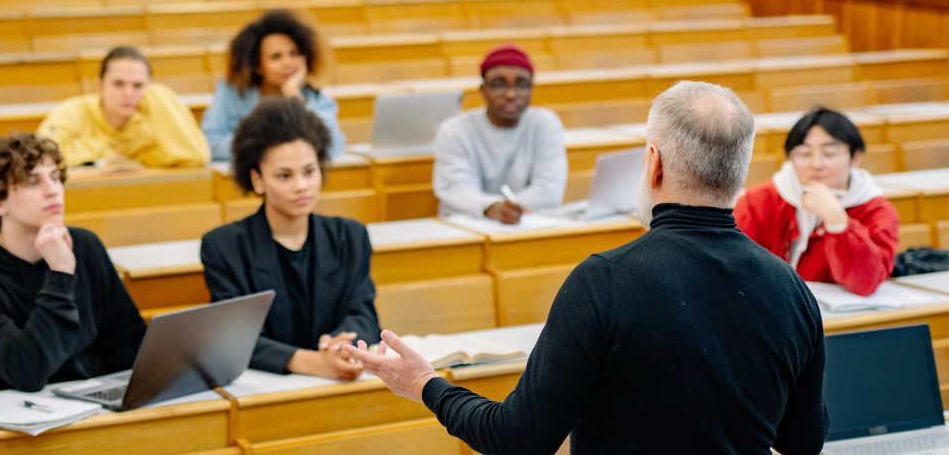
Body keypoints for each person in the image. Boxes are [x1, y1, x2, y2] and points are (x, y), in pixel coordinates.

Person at [345, 81, 828, 455]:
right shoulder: (790, 288)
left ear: (653, 164)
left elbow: (519, 439)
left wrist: (424, 385)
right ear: (739, 171)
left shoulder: (605, 282)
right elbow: (803, 443)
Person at [0, 132, 146, 394]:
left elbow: (128, 341)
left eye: (54, 178)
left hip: (87, 408)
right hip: (8, 422)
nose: (53, 191)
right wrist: (61, 274)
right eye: (32, 182)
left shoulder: (85, 246)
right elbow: (27, 372)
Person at [200, 97, 379, 380]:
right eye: (284, 176)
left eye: (310, 171)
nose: (302, 186)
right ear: (257, 180)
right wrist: (313, 362)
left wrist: (340, 345)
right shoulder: (223, 246)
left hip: (337, 382)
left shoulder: (350, 236)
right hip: (264, 386)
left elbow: (364, 315)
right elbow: (234, 338)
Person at [735, 106, 899, 296]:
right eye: (804, 154)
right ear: (791, 157)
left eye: (829, 154)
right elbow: (734, 262)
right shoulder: (761, 200)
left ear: (855, 157)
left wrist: (838, 222)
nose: (816, 164)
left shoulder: (876, 210)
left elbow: (866, 283)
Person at [432, 44, 567, 224]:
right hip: (468, 226)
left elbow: (549, 191)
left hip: (528, 225)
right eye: (498, 85)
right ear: (483, 90)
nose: (511, 94)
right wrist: (492, 208)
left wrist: (507, 210)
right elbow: (456, 189)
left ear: (531, 89)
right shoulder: (454, 130)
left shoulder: (544, 123)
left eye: (521, 85)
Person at [200, 9, 345, 162]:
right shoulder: (232, 91)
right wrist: (274, 148)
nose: (288, 63)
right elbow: (210, 143)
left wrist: (294, 96)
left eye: (293, 53)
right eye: (276, 57)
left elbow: (332, 147)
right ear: (257, 66)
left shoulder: (313, 97)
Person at [36, 46, 210, 168]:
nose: (128, 93)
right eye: (118, 84)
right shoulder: (73, 111)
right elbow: (41, 154)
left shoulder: (146, 127)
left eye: (138, 86)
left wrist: (158, 93)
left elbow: (195, 157)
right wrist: (102, 151)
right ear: (100, 85)